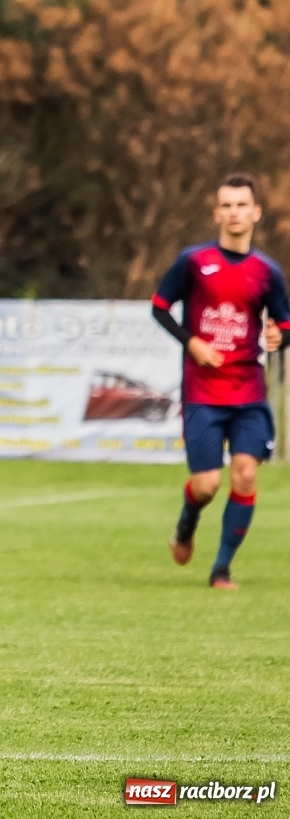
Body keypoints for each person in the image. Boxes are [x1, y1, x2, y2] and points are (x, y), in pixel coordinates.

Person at [152, 172, 290, 589]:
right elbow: (159, 308)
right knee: (207, 484)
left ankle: (221, 568)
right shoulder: (193, 262)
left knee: (245, 474)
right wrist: (191, 342)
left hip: (249, 392)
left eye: (242, 205)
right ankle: (187, 521)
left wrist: (278, 336)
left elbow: (284, 324)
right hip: (203, 394)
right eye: (227, 205)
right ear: (217, 213)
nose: (234, 212)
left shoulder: (267, 272)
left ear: (256, 213)